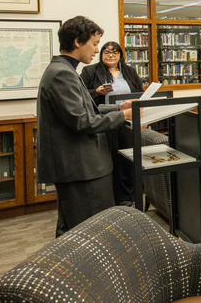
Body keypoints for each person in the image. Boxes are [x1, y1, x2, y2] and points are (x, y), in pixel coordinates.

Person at [37, 16, 134, 237]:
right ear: (78, 42)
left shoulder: (66, 70)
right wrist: (124, 117)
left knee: (70, 230)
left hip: (80, 167)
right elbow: (82, 121)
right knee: (90, 233)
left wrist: (119, 109)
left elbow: (85, 111)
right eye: (94, 44)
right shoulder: (62, 74)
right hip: (80, 168)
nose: (97, 50)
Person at [81, 41, 144, 206]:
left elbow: (140, 94)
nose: (111, 55)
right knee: (109, 162)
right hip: (104, 123)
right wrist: (97, 91)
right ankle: (109, 200)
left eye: (115, 52)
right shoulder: (90, 71)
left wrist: (141, 118)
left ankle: (127, 199)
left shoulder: (129, 71)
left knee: (128, 162)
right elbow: (80, 96)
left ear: (120, 56)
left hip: (128, 123)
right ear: (101, 54)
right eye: (107, 52)